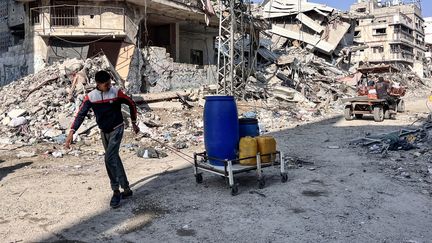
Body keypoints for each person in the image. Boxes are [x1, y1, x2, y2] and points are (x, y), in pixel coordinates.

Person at [65, 70, 140, 208]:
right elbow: (81, 114)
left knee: (109, 158)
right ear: (98, 84)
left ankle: (116, 191)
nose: (109, 85)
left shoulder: (116, 92)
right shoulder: (91, 97)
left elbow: (131, 103)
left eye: (110, 83)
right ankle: (127, 189)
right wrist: (72, 132)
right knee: (114, 158)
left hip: (117, 128)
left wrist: (134, 122)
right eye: (106, 84)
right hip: (104, 131)